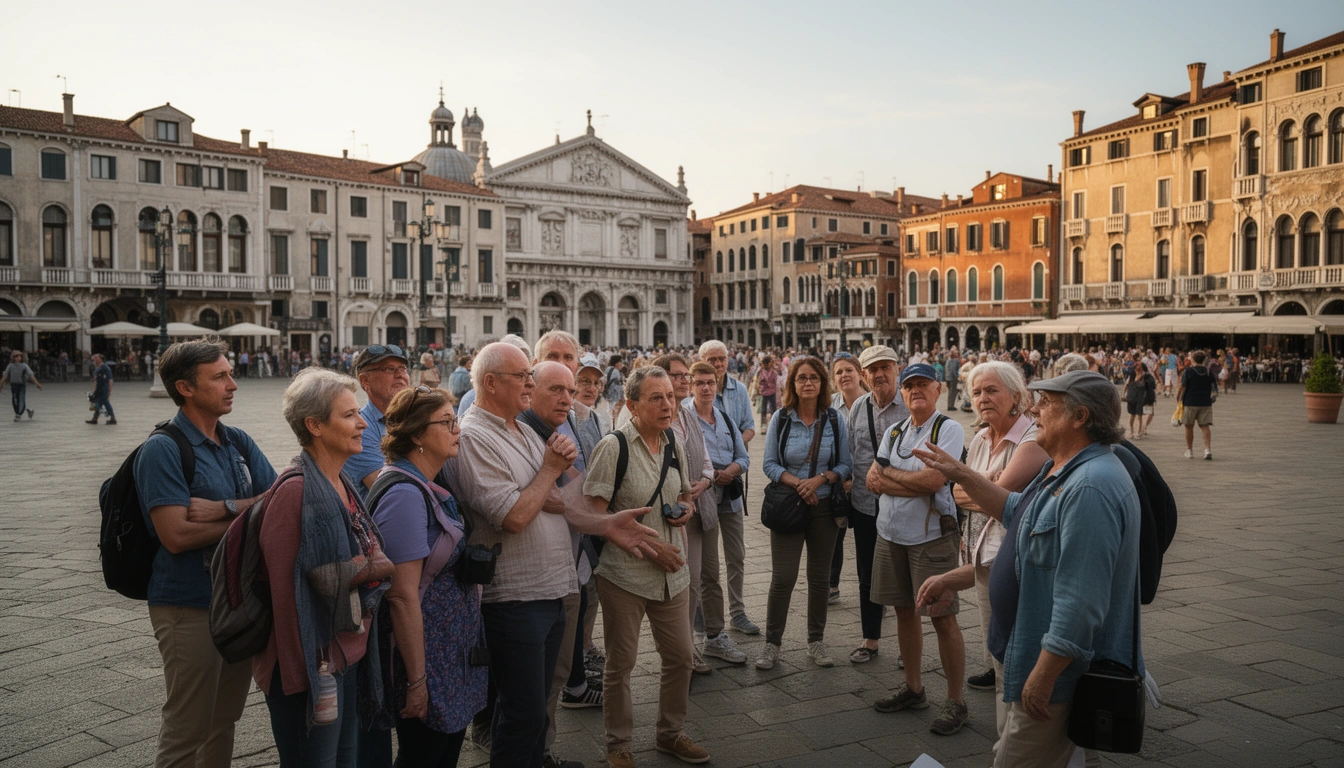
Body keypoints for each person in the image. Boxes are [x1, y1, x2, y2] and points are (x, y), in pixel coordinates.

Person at [443, 342, 665, 768]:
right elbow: (513, 515)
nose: (529, 384)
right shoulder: (474, 436)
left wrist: (608, 526)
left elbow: (557, 502)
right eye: (523, 377)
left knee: (537, 706)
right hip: (514, 597)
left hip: (551, 587)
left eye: (531, 376)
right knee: (522, 713)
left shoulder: (521, 430)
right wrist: (547, 470)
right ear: (491, 383)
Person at [914, 371, 1142, 768]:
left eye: (1047, 403)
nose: (1034, 410)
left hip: (1057, 677)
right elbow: (1015, 509)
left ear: (1079, 417)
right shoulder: (1064, 466)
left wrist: (1043, 676)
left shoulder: (1089, 487)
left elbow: (1081, 600)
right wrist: (961, 472)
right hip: (1041, 660)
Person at [133, 338, 278, 768]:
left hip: (237, 602)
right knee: (188, 725)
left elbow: (280, 500)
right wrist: (248, 515)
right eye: (220, 377)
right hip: (187, 604)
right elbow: (175, 535)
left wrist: (226, 508)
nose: (233, 384)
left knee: (225, 719)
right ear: (186, 388)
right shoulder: (162, 449)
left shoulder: (237, 441)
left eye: (230, 373)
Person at [254, 369, 394, 766]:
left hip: (343, 653)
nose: (363, 423)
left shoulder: (339, 480)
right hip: (310, 666)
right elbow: (286, 596)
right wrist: (372, 566)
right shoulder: (295, 491)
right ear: (314, 425)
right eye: (349, 415)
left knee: (345, 759)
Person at [583, 365, 710, 768]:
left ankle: (670, 734)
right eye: (656, 398)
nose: (667, 405)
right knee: (621, 664)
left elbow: (686, 494)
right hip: (626, 577)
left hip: (674, 576)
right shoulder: (613, 447)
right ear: (632, 405)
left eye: (671, 396)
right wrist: (652, 547)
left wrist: (684, 510)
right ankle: (618, 745)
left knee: (681, 658)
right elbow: (594, 518)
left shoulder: (673, 439)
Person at [369, 385, 486, 767]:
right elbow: (401, 596)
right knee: (424, 754)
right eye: (447, 422)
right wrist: (417, 681)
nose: (458, 429)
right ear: (417, 435)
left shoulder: (427, 482)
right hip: (424, 657)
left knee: (443, 750)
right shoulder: (404, 494)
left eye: (456, 420)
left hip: (445, 652)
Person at [868, 362, 969, 736]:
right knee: (903, 611)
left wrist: (892, 475)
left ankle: (956, 700)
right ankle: (914, 688)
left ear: (938, 388)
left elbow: (933, 481)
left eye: (922, 384)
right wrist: (907, 480)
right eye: (909, 385)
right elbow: (870, 479)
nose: (915, 391)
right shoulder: (894, 431)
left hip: (931, 538)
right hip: (890, 532)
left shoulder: (949, 429)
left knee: (942, 617)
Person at [956, 361, 1048, 737]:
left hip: (1014, 562)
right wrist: (985, 483)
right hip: (982, 557)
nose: (982, 398)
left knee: (1015, 655)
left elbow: (995, 502)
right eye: (977, 392)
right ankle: (1005, 739)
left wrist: (981, 485)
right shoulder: (980, 439)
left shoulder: (1032, 440)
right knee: (996, 655)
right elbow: (961, 496)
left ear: (1017, 397)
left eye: (992, 390)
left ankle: (1019, 740)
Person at [757, 356, 852, 670]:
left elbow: (845, 465)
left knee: (819, 579)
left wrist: (820, 480)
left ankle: (816, 641)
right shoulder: (781, 419)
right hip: (789, 504)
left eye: (814, 378)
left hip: (825, 508)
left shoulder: (835, 419)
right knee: (783, 578)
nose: (808, 383)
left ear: (823, 383)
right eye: (802, 378)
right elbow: (769, 464)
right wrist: (800, 484)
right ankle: (772, 645)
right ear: (792, 384)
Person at [838, 345, 908, 665]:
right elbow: (853, 452)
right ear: (864, 376)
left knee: (906, 575)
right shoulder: (858, 408)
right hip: (866, 505)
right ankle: (870, 640)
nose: (880, 374)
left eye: (886, 367)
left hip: (905, 505)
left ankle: (911, 648)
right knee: (867, 574)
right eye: (873, 370)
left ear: (897, 369)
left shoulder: (910, 406)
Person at [650, 354, 718, 675]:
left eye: (683, 376)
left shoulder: (689, 416)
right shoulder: (650, 416)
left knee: (692, 583)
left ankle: (688, 648)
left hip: (696, 510)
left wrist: (702, 483)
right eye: (675, 376)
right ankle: (676, 654)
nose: (683, 381)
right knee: (671, 585)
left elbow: (706, 463)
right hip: (664, 515)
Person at [688, 361, 750, 669]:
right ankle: (706, 634)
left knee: (736, 555)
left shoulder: (724, 417)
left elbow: (744, 456)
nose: (706, 387)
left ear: (717, 383)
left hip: (730, 496)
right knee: (705, 571)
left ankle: (720, 630)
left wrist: (732, 471)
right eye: (700, 382)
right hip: (704, 500)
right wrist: (714, 475)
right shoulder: (685, 418)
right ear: (692, 385)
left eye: (710, 382)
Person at [696, 340, 760, 636]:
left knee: (736, 554)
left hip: (731, 483)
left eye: (721, 359)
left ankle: (738, 611)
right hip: (703, 492)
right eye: (712, 359)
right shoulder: (686, 406)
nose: (718, 364)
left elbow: (748, 428)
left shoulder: (739, 391)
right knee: (704, 561)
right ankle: (705, 617)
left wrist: (731, 456)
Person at [827, 352, 868, 605]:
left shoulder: (873, 403)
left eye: (848, 370)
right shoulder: (829, 406)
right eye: (839, 372)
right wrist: (841, 476)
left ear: (860, 374)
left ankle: (871, 591)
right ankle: (831, 586)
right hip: (838, 483)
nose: (844, 376)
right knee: (834, 537)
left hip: (867, 483)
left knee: (867, 541)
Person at [344, 345, 412, 494]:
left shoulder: (415, 419)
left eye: (403, 368)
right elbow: (390, 491)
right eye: (389, 368)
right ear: (365, 381)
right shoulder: (360, 430)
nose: (400, 375)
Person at [1178, 350, 1216, 460]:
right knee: (1205, 426)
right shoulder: (1208, 372)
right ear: (1204, 360)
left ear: (1193, 359)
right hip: (1205, 402)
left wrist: (1178, 398)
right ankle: (1207, 449)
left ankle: (1189, 450)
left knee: (1189, 426)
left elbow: (1183, 386)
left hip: (1190, 402)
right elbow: (1214, 387)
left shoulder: (1188, 371)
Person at [2, 350, 41, 421]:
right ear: (13, 358)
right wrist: (0, 384)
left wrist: (37, 384)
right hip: (14, 385)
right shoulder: (10, 366)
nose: (18, 358)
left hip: (21, 385)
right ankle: (27, 411)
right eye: (16, 356)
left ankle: (18, 414)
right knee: (15, 399)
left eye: (20, 356)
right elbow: (5, 376)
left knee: (21, 399)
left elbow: (31, 375)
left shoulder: (24, 366)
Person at [1124, 361, 1156, 439]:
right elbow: (1127, 384)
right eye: (1137, 367)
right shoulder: (1132, 375)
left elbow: (1152, 385)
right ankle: (1132, 431)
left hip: (1140, 398)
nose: (1138, 368)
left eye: (1140, 367)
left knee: (1140, 415)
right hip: (1132, 397)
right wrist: (1124, 394)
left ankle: (1139, 432)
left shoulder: (1146, 376)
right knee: (1132, 415)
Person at [87, 352, 116, 425]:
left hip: (104, 388)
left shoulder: (105, 367)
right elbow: (96, 379)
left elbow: (110, 379)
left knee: (102, 403)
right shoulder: (97, 368)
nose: (95, 359)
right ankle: (96, 418)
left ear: (100, 359)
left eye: (96, 358)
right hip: (99, 388)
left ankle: (111, 418)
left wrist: (109, 391)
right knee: (99, 403)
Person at [756, 355, 779, 428]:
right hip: (768, 392)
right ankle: (768, 424)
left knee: (770, 408)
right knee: (769, 408)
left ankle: (769, 424)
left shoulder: (762, 372)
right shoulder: (773, 372)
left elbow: (759, 381)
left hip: (768, 392)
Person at [604, 355, 627, 421]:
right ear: (617, 363)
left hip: (607, 395)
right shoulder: (616, 372)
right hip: (614, 397)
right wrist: (621, 397)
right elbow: (617, 387)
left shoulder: (607, 369)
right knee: (614, 416)